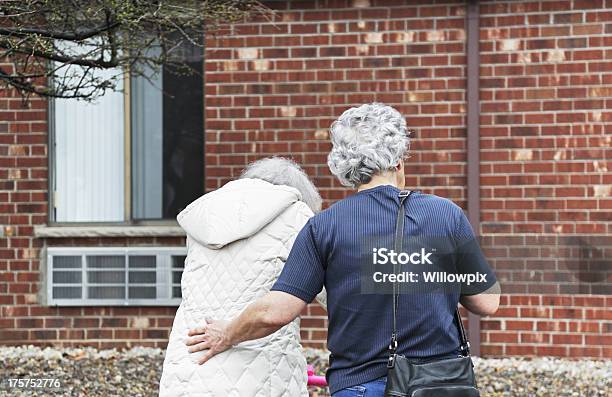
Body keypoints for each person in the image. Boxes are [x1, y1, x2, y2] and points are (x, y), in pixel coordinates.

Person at [185, 103, 500, 396]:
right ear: (399, 159)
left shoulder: (325, 226)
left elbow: (275, 311)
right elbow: (486, 302)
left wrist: (227, 334)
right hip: (439, 383)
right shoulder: (446, 215)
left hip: (359, 385)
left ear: (345, 167)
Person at [159, 157, 326, 397]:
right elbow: (335, 293)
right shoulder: (297, 215)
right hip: (261, 373)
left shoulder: (207, 216)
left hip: (189, 364)